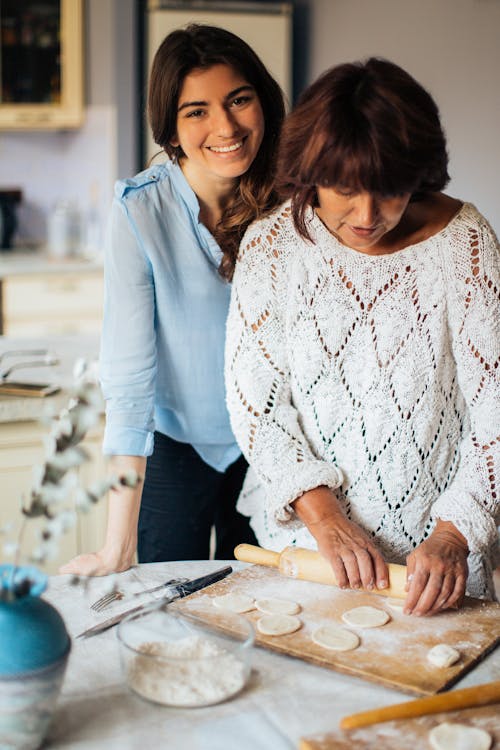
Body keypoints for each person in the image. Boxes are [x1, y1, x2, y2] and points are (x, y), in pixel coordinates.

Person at [225, 58, 499, 616]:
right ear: (311, 170)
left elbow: (496, 408)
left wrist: (454, 532)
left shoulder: (465, 244)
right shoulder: (271, 248)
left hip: (437, 568)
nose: (368, 214)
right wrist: (324, 517)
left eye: (390, 190)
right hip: (304, 549)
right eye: (346, 189)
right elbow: (257, 404)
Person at [60, 24, 285, 576]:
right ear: (171, 127)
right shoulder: (139, 213)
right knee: (169, 620)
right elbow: (130, 384)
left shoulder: (294, 201)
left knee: (270, 620)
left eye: (239, 100)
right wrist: (117, 545)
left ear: (263, 101)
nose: (226, 126)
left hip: (276, 450)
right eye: (197, 111)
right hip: (175, 450)